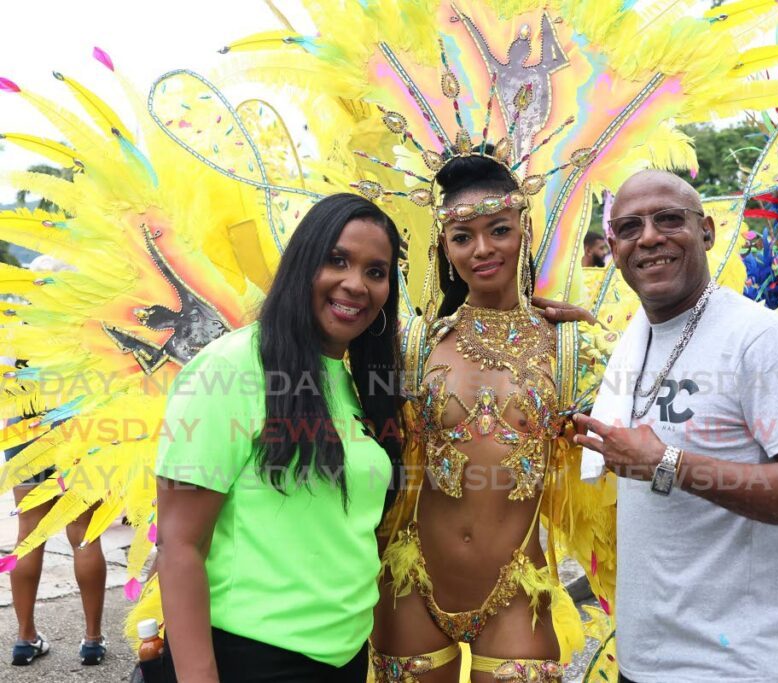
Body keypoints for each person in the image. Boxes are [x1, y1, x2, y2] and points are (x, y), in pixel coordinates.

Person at [575, 170, 778, 683]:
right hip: (646, 661)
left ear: (706, 231)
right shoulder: (636, 337)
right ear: (612, 247)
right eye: (630, 227)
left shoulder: (758, 340)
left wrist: (667, 465)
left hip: (741, 667)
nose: (650, 237)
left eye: (668, 219)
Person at [371, 152, 607, 682]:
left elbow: (638, 421)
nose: (482, 249)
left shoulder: (570, 347)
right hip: (413, 584)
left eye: (498, 230)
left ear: (523, 230)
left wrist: (598, 330)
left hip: (518, 591)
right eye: (462, 236)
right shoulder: (413, 345)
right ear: (444, 248)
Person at [155, 193, 404, 682]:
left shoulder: (355, 384)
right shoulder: (230, 368)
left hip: (345, 658)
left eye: (376, 272)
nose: (356, 284)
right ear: (302, 264)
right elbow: (179, 544)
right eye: (337, 261)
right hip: (254, 660)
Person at [4, 254, 108, 667]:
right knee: (84, 532)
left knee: (28, 533)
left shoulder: (18, 330)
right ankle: (92, 640)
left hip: (24, 431)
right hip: (77, 431)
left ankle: (25, 638)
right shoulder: (85, 329)